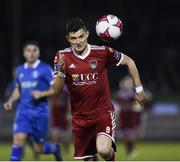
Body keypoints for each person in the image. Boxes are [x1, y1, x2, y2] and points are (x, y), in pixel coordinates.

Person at [52, 18, 145, 161]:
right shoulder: (62, 56)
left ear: (87, 34)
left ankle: (111, 156)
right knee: (89, 158)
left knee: (104, 150)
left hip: (102, 113)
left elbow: (129, 62)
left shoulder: (102, 52)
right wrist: (61, 73)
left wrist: (138, 89)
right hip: (79, 118)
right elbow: (57, 90)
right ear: (67, 39)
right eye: (73, 38)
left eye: (81, 36)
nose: (78, 41)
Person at [4, 41, 63, 161]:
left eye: (34, 50)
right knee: (19, 139)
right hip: (23, 112)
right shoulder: (20, 70)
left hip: (40, 113)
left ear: (38, 53)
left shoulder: (45, 69)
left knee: (38, 148)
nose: (31, 53)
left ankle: (54, 149)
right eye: (28, 50)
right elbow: (18, 89)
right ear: (24, 53)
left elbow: (56, 90)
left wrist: (42, 93)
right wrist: (10, 100)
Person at [50, 85, 71, 153]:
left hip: (64, 114)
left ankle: (66, 150)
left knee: (64, 137)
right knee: (56, 135)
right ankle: (57, 151)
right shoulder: (53, 88)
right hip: (55, 115)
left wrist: (69, 112)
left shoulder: (66, 91)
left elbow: (69, 101)